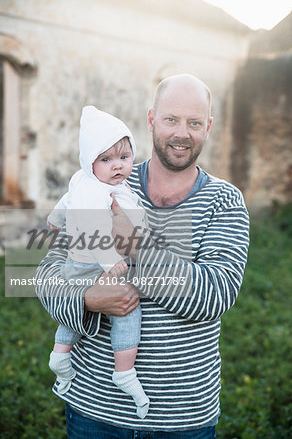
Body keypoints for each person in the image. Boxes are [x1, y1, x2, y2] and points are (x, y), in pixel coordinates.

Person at [36, 74, 249, 438]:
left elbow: (215, 295)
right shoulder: (105, 179)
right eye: (171, 119)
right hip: (94, 411)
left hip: (181, 418)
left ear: (208, 127)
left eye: (194, 123)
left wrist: (135, 244)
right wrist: (87, 297)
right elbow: (46, 274)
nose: (182, 133)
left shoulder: (224, 201)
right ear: (151, 120)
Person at [47, 106, 149, 418]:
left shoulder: (86, 180)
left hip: (77, 265)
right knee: (128, 310)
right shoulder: (97, 189)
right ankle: (124, 371)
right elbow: (92, 228)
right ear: (90, 161)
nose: (117, 166)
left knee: (80, 308)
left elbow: (66, 200)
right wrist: (109, 263)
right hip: (93, 263)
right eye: (106, 159)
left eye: (124, 157)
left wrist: (54, 219)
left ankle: (61, 352)